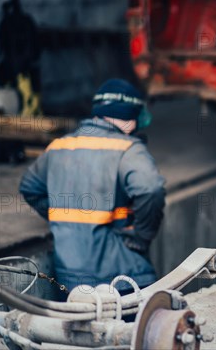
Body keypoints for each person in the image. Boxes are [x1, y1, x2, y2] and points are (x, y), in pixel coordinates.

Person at [19, 79, 166, 292]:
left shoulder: (60, 146)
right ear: (130, 117)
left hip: (70, 280)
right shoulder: (128, 148)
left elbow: (29, 187)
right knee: (141, 325)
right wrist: (141, 236)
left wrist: (65, 221)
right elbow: (150, 188)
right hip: (123, 277)